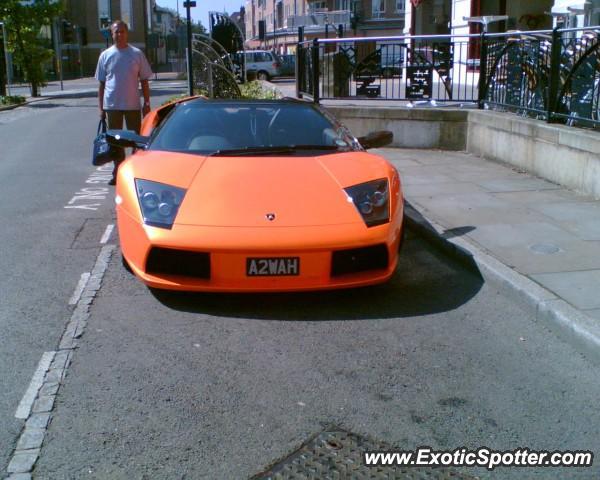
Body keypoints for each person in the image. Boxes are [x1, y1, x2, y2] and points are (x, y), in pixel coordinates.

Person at [95, 20, 153, 185]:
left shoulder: (136, 54)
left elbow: (144, 81)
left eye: (122, 32)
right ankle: (118, 172)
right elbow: (101, 84)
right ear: (111, 34)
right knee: (115, 143)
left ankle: (136, 171)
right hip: (112, 105)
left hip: (133, 105)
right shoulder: (105, 55)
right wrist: (101, 108)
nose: (119, 35)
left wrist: (147, 103)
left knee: (136, 140)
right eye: (116, 32)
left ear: (127, 33)